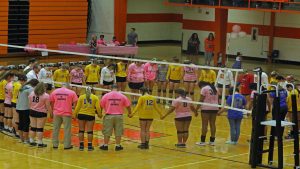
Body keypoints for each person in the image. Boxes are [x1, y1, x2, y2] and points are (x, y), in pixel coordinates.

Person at [99, 84, 132, 151]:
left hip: (109, 116)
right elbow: (128, 105)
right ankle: (118, 145)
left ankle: (105, 145)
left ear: (111, 88)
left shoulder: (106, 95)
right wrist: (129, 113)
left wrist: (100, 114)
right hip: (119, 116)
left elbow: (101, 106)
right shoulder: (122, 96)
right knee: (118, 131)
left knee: (107, 131)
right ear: (118, 88)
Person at [50, 83, 78, 150]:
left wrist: (52, 111)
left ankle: (55, 144)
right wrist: (72, 108)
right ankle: (67, 145)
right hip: (67, 113)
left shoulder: (55, 92)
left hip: (56, 113)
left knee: (55, 129)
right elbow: (75, 103)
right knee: (67, 130)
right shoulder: (72, 92)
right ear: (68, 87)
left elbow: (51, 102)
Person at [28, 82, 52, 147]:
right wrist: (51, 113)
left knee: (33, 127)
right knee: (40, 128)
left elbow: (29, 103)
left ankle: (31, 140)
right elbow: (48, 106)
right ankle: (40, 142)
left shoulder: (32, 93)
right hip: (41, 112)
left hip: (32, 111)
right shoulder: (46, 95)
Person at [196, 81, 219, 146]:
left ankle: (202, 141)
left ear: (201, 85)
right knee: (212, 124)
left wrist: (196, 109)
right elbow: (218, 99)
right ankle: (212, 141)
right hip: (215, 108)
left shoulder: (204, 89)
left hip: (206, 108)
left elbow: (201, 100)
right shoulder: (215, 88)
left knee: (204, 124)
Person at [17, 79, 39, 144]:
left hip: (19, 107)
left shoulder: (24, 86)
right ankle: (26, 139)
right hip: (25, 108)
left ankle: (21, 139)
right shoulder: (31, 89)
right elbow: (33, 99)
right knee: (26, 124)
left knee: (21, 123)